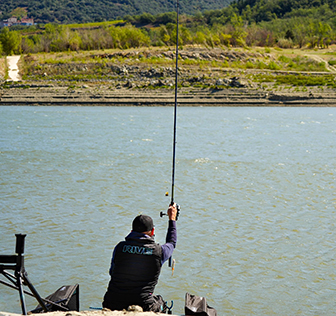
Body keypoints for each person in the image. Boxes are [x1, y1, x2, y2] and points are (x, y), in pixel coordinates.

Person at [102, 203, 177, 312]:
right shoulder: (159, 252)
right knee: (161, 303)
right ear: (152, 231)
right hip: (144, 303)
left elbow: (112, 272)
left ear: (132, 231)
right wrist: (172, 219)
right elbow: (172, 242)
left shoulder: (120, 247)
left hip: (113, 301)